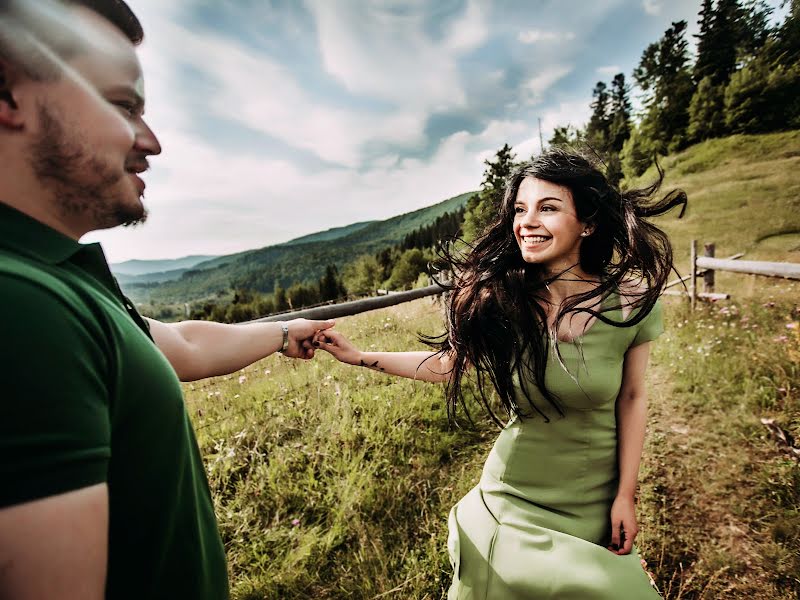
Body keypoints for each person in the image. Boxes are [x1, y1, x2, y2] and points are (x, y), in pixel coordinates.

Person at [0, 2, 332, 598]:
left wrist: (284, 333)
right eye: (124, 106)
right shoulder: (21, 307)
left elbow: (178, 344)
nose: (151, 143)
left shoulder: (57, 279)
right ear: (7, 93)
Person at [314, 149, 687, 599]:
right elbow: (447, 365)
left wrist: (626, 494)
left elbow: (632, 398)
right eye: (520, 209)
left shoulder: (630, 300)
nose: (527, 221)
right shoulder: (504, 299)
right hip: (515, 499)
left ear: (587, 223)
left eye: (547, 208)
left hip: (595, 498)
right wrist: (359, 356)